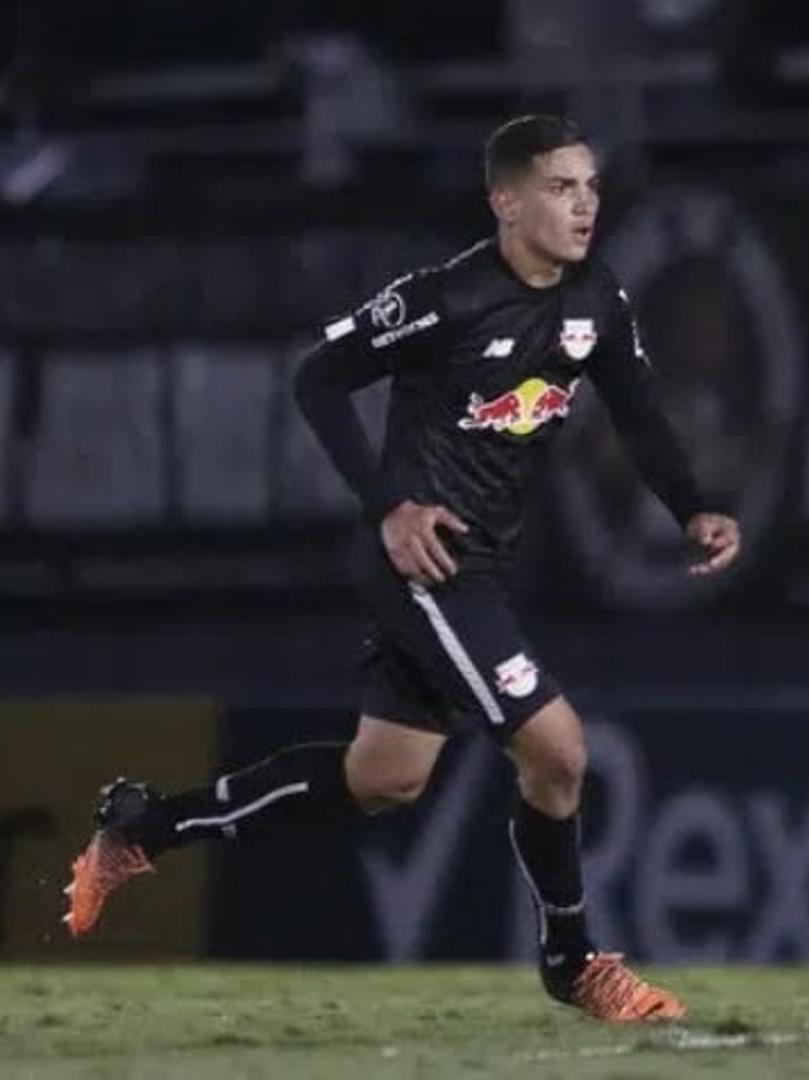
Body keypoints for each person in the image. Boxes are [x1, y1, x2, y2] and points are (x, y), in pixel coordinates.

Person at [61, 115, 740, 1024]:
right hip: (426, 562)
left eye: (590, 187)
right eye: (560, 187)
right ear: (505, 201)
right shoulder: (447, 298)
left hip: (481, 570)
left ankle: (143, 829)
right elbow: (318, 377)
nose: (584, 205)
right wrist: (390, 506)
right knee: (560, 754)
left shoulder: (597, 303)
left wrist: (691, 506)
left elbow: (641, 417)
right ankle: (575, 964)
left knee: (384, 778)